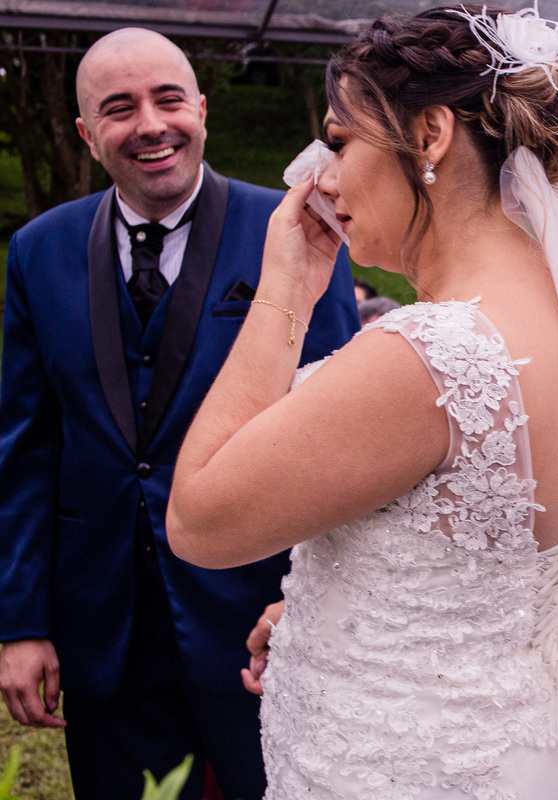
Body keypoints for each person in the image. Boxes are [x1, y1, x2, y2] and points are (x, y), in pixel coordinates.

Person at [165, 7, 558, 799]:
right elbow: (487, 573)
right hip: (516, 748)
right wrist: (329, 616)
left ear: (431, 135)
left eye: (340, 141)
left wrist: (286, 291)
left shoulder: (433, 353)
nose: (320, 180)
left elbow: (199, 523)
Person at [0, 28, 359, 800]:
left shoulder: (299, 228)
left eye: (168, 100)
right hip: (101, 626)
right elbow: (27, 452)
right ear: (86, 134)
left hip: (255, 620)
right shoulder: (38, 250)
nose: (151, 125)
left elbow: (336, 434)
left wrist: (305, 599)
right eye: (119, 108)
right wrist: (20, 624)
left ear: (201, 108)